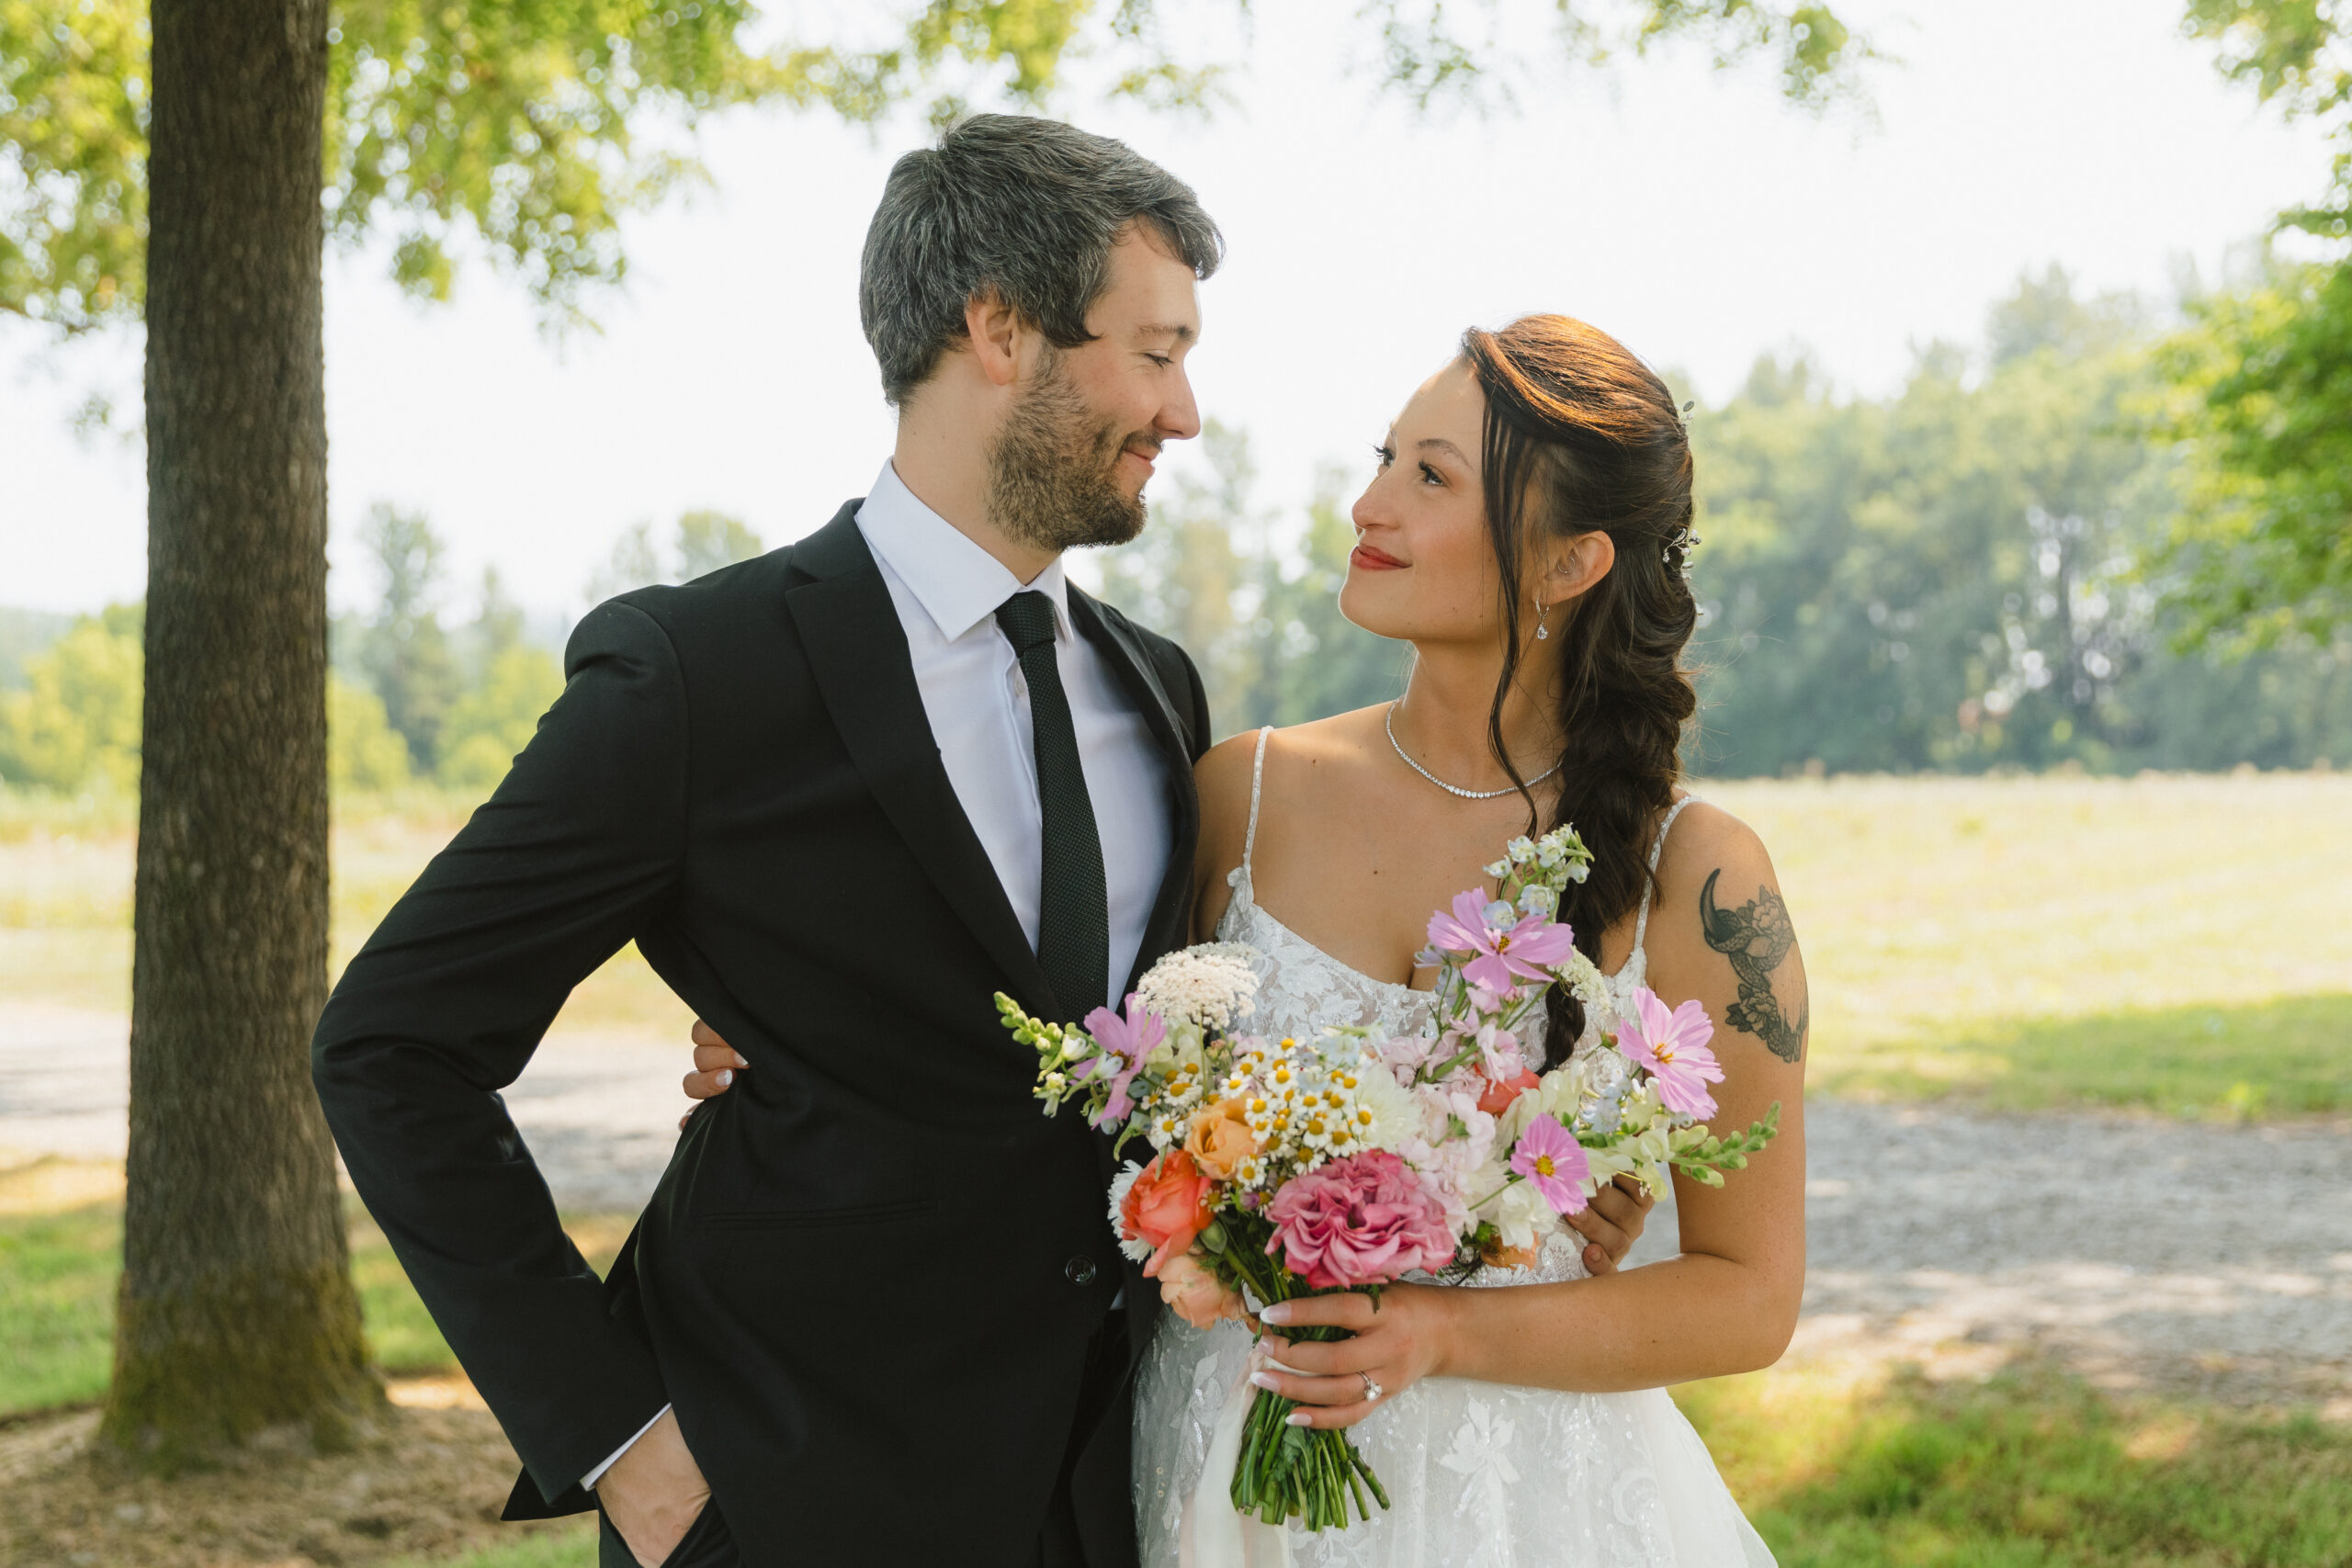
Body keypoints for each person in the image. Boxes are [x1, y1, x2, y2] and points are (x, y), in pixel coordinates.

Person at [687, 314, 1807, 1564]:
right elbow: (1076, 1042)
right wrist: (804, 1017)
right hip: (1213, 1482)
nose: (1367, 502)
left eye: (1430, 477)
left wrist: (1442, 1330)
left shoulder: (1698, 876)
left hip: (1525, 1505)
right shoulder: (1244, 791)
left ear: (1570, 562)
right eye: (1385, 456)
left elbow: (1750, 1297)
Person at [316, 115, 1255, 1568]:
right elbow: (391, 1044)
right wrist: (622, 1442)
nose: (1184, 411)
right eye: (1156, 351)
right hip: (784, 1497)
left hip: (1109, 1493)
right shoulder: (701, 676)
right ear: (998, 330)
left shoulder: (1158, 686)